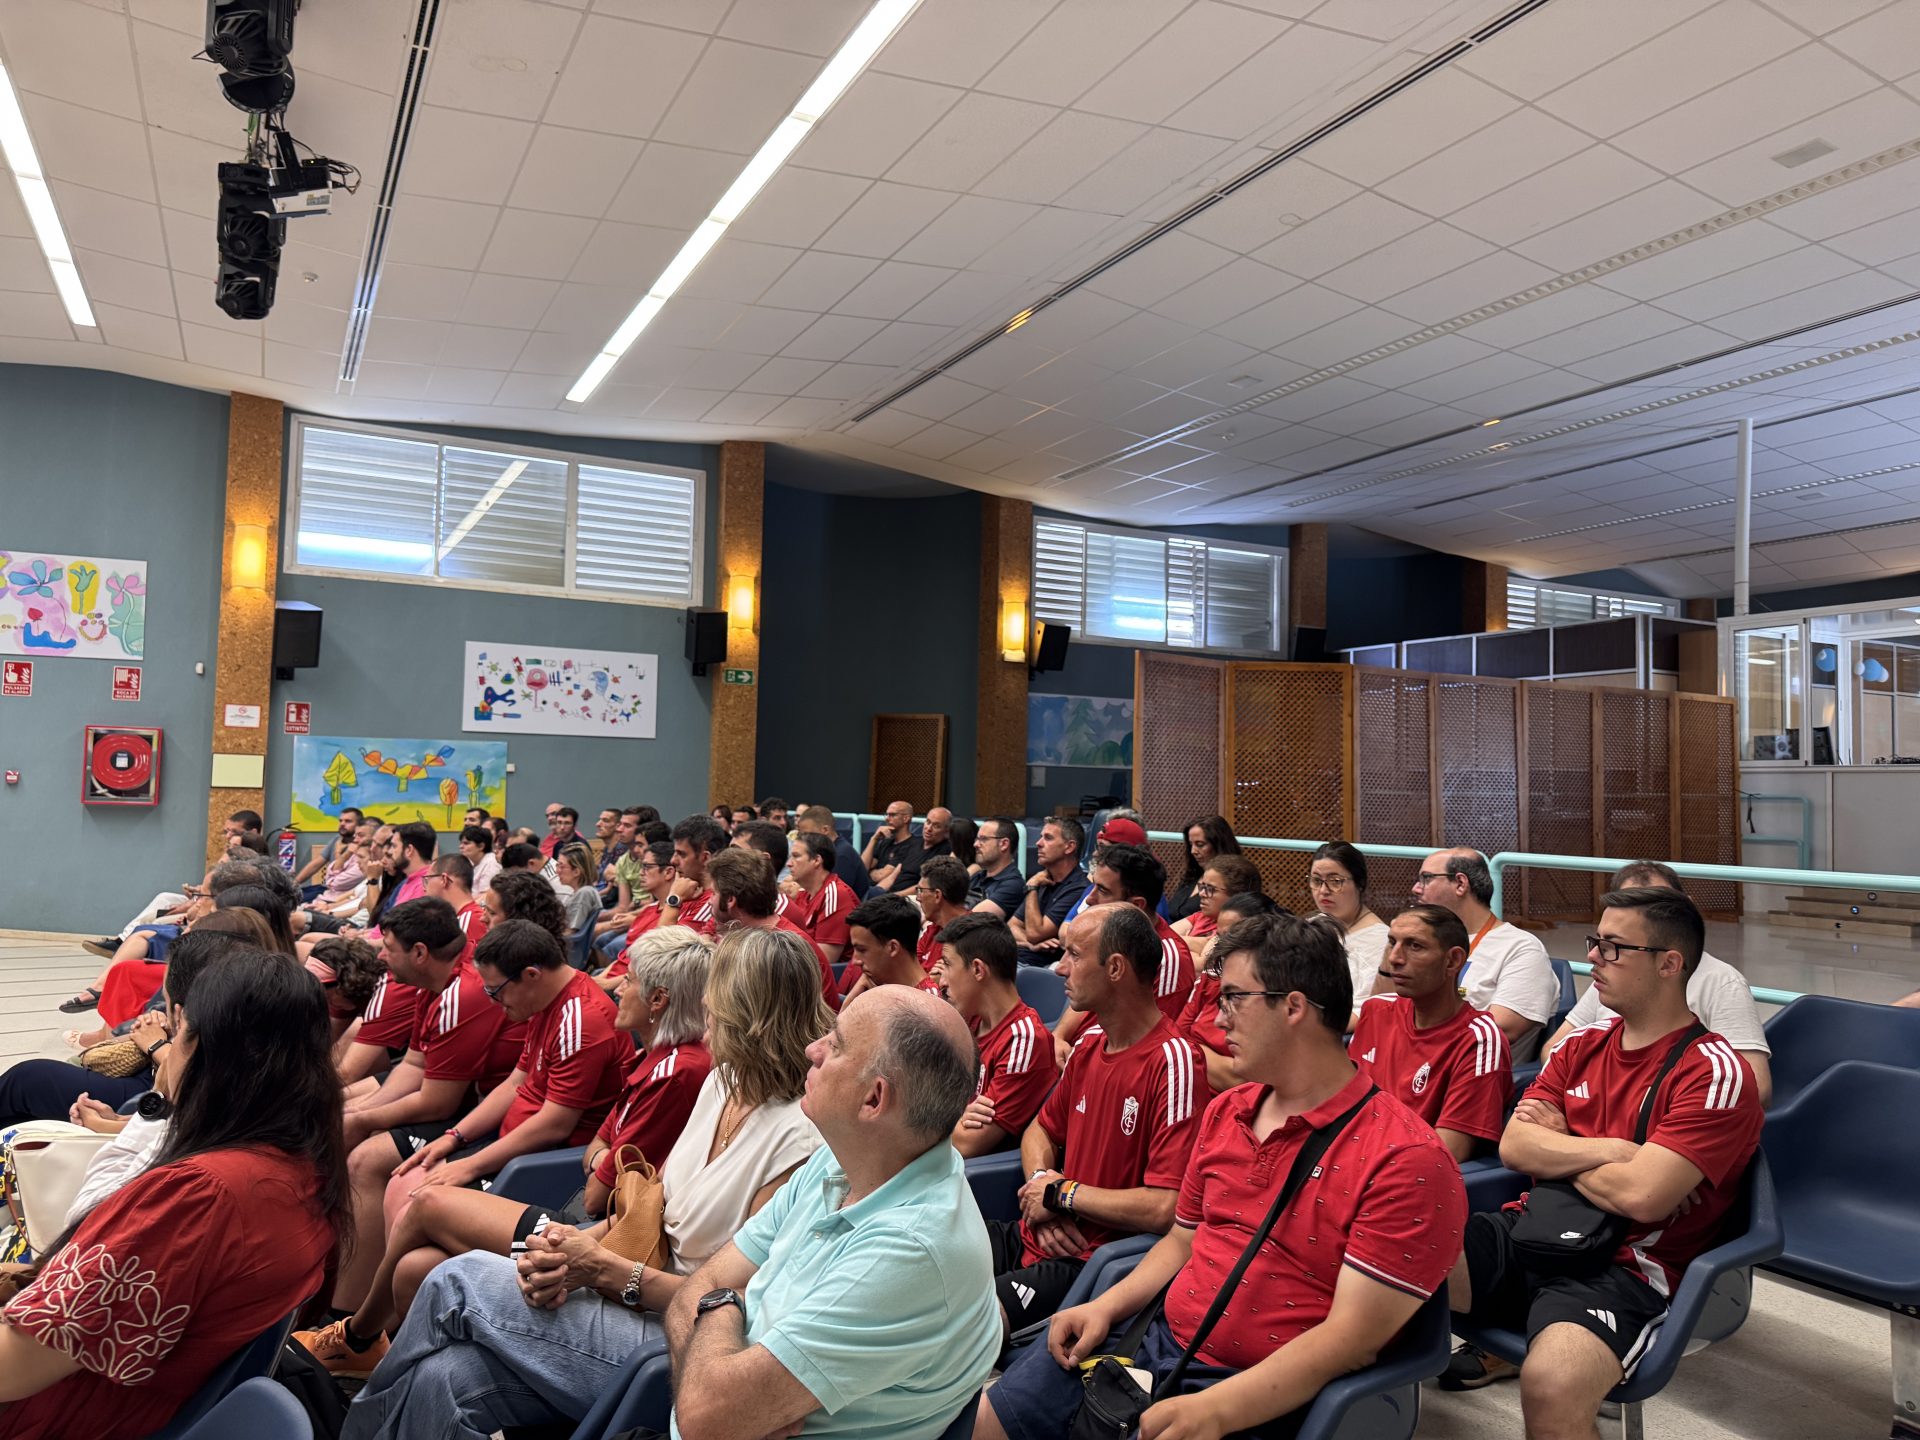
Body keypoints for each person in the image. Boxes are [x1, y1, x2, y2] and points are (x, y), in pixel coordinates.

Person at [980, 910, 1467, 1440]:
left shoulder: (1406, 1160)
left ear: (1294, 1007)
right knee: (987, 1422)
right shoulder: (1227, 1111)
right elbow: (1182, 1240)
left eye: (1233, 998)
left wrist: (1214, 1409)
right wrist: (1104, 1307)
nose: (1218, 1017)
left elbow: (1351, 1340)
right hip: (1149, 1339)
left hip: (1255, 1390)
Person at [335, 926, 832, 1437]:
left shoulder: (798, 1140)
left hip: (676, 1341)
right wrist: (568, 1251)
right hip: (629, 1284)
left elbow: (735, 1304)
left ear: (746, 1015)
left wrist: (599, 1270)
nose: (703, 1006)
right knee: (444, 1376)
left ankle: (351, 1396)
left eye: (715, 999)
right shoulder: (723, 1083)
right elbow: (649, 1207)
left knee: (453, 1279)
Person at [300, 926, 715, 1377]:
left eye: (629, 980)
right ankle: (379, 1359)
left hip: (581, 1222)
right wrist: (457, 1139)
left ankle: (355, 1337)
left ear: (658, 1000)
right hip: (573, 1204)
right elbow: (592, 1140)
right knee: (417, 1267)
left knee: (425, 1203)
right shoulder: (649, 1055)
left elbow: (597, 1188)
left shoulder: (672, 1070)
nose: (618, 988)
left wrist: (592, 1159)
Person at [1442, 887, 1765, 1421]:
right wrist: (1616, 1150)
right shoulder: (1579, 1045)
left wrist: (1562, 1146)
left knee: (1551, 1386)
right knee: (1376, 1257)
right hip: (1533, 1230)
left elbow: (1642, 1196)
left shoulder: (1714, 1073)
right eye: (1596, 941)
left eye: (1613, 947)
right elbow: (1515, 1146)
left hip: (1623, 1269)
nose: (1592, 956)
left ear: (1669, 964)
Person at [0, 951, 347, 1440]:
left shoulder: (199, 1196)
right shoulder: (307, 1165)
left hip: (61, 1418)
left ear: (201, 1046)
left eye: (176, 1030)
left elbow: (13, 1368)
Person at [989, 904, 1206, 1336]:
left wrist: (1061, 1195)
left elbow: (1165, 1207)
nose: (1060, 968)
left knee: (963, 1322)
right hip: (1035, 1231)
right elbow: (1040, 1130)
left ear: (1116, 968)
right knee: (922, 1260)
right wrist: (1043, 1187)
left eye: (1074, 955)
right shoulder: (1089, 1044)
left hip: (1087, 1263)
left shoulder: (1174, 1061)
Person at [324, 897, 525, 1319]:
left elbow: (438, 1101)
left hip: (481, 1114)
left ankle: (344, 1311)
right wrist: (361, 1114)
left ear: (419, 953)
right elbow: (414, 1064)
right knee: (345, 1116)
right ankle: (332, 1264)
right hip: (461, 1097)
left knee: (366, 1159)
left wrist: (364, 1119)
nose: (380, 956)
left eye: (388, 947)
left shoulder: (462, 993)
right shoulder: (432, 983)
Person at [1544, 862, 1773, 1105]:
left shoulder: (1721, 983)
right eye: (1629, 903)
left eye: (1658, 905)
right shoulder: (1610, 977)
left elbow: (1753, 1086)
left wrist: (1609, 1100)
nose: (1594, 956)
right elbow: (1554, 1051)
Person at [1350, 905, 1510, 1163]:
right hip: (1354, 1156)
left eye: (1415, 946)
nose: (1395, 958)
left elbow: (1449, 1151)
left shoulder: (1479, 1038)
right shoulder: (1376, 1010)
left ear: (1452, 961)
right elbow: (1343, 1106)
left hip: (1403, 1172)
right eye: (1392, 942)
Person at [1413, 847, 1559, 1061]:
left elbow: (1498, 1031)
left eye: (1426, 878)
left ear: (1460, 884)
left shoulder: (1520, 949)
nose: (1416, 888)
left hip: (1466, 1071)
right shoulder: (1425, 941)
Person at [936, 913, 1057, 1158]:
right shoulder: (966, 1017)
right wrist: (957, 1115)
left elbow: (968, 1144)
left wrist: (941, 1116)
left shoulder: (1024, 1040)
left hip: (974, 1173)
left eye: (947, 965)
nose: (941, 982)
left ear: (978, 969)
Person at [705, 847, 833, 997]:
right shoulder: (757, 937)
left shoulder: (782, 951)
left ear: (730, 900)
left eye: (713, 893)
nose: (709, 901)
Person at [1308, 841, 1390, 1025]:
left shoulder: (1381, 940)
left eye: (1335, 881)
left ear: (1360, 883)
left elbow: (1368, 1011)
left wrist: (1315, 1029)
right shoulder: (1311, 925)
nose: (1323, 891)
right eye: (1317, 881)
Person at [595, 840, 678, 989]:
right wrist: (599, 979)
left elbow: (651, 970)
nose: (640, 872)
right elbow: (623, 958)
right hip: (614, 979)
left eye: (647, 867)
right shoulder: (647, 911)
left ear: (668, 872)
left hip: (632, 987)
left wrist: (606, 984)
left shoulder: (672, 917)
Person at [1010, 816, 1091, 966]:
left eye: (1048, 838)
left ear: (1069, 847)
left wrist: (1031, 887)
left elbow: (1035, 933)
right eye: (1041, 837)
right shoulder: (1042, 879)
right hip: (1016, 958)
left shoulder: (1079, 888)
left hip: (1038, 967)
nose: (1038, 843)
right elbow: (1012, 926)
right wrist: (1029, 944)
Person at [840, 893, 937, 1002]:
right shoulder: (877, 986)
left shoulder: (928, 1003)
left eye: (862, 950)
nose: (855, 961)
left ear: (893, 948)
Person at [786, 829, 859, 967]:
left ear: (816, 860)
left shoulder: (836, 895)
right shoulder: (803, 893)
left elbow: (826, 959)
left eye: (796, 856)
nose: (789, 863)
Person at [1172, 851, 1263, 950]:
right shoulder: (1202, 917)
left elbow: (1206, 958)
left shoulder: (1239, 928)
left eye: (1210, 889)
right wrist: (1194, 944)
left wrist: (1184, 941)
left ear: (1237, 896)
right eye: (1202, 887)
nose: (1201, 894)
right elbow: (1163, 938)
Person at [1166, 814, 1240, 921]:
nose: (1193, 851)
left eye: (1200, 844)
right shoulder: (1192, 876)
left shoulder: (1234, 881)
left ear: (1218, 845)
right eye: (1191, 845)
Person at [666, 813, 727, 935]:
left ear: (705, 858)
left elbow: (660, 945)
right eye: (674, 853)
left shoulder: (711, 903)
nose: (673, 860)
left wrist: (673, 900)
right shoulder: (688, 892)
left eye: (681, 854)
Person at [793, 804, 871, 896]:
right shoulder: (828, 852)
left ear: (825, 830)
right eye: (801, 834)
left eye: (808, 834)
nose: (804, 839)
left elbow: (830, 895)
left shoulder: (842, 856)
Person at [912, 854, 973, 970]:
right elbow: (912, 973)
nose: (918, 898)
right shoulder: (931, 931)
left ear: (937, 895)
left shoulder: (972, 937)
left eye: (921, 890)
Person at [968, 815, 1027, 917]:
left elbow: (969, 921)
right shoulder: (977, 877)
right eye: (977, 839)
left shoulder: (1013, 885)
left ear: (1004, 844)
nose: (976, 844)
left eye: (983, 839)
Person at [862, 799, 925, 894]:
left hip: (884, 894)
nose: (887, 819)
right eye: (886, 815)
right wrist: (873, 839)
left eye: (892, 815)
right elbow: (863, 868)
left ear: (906, 819)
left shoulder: (913, 844)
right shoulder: (885, 841)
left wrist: (870, 871)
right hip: (868, 890)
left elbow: (880, 876)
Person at [296, 806, 366, 889]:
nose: (342, 824)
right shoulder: (337, 839)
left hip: (343, 890)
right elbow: (315, 864)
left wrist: (338, 852)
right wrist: (294, 884)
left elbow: (340, 880)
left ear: (359, 825)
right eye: (340, 821)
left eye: (348, 821)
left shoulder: (362, 846)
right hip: (328, 887)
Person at [557, 842, 604, 934]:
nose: (557, 871)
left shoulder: (584, 893)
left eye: (561, 866)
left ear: (576, 872)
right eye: (557, 865)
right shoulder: (581, 892)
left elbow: (570, 932)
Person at [457, 825, 500, 897]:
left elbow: (485, 896)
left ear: (481, 846)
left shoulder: (491, 865)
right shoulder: (470, 862)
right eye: (461, 843)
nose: (460, 846)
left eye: (466, 843)